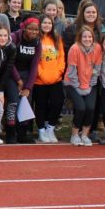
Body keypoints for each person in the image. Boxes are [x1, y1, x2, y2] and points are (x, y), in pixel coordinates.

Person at [65, 27, 103, 146]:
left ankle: (85, 135)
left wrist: (90, 84)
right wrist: (79, 87)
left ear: (93, 38)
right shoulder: (74, 49)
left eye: (89, 37)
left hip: (90, 84)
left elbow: (97, 68)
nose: (87, 39)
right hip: (72, 83)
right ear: (80, 38)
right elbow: (71, 71)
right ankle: (75, 135)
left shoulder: (97, 48)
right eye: (84, 37)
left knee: (90, 108)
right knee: (81, 108)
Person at [33, 16, 66, 144]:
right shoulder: (37, 39)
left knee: (57, 102)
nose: (47, 25)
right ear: (40, 24)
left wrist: (59, 72)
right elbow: (35, 61)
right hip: (39, 80)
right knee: (41, 106)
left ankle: (50, 128)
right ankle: (41, 130)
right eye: (44, 23)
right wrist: (41, 74)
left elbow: (61, 58)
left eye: (49, 23)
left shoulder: (57, 38)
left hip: (55, 79)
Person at [9, 17, 42, 145]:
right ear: (24, 27)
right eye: (30, 29)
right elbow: (10, 62)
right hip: (12, 73)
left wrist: (28, 87)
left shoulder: (38, 42)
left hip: (27, 74)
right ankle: (11, 133)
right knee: (13, 101)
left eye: (36, 30)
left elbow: (34, 66)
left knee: (26, 102)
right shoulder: (14, 37)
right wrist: (18, 80)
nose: (33, 32)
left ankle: (23, 133)